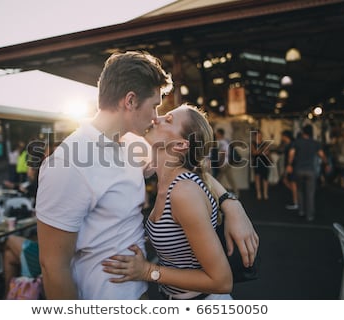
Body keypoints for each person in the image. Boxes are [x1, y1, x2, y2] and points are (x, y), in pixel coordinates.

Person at [36, 51, 258, 300]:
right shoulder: (68, 163)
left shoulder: (133, 143)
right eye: (154, 106)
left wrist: (231, 204)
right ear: (130, 101)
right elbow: (52, 267)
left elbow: (190, 170)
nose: (155, 117)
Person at [102, 105, 233, 299]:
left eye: (169, 119)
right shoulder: (168, 179)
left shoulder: (183, 192)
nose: (156, 118)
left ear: (180, 145)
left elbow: (222, 281)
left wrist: (148, 271)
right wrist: (231, 203)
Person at [286, 124, 330, 221]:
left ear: (303, 132)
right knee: (310, 193)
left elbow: (291, 153)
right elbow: (321, 155)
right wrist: (326, 164)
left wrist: (289, 164)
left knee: (300, 191)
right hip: (311, 170)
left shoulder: (297, 142)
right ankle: (310, 215)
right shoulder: (315, 143)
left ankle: (301, 211)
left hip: (299, 170)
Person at [215, 128, 239, 197]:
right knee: (229, 178)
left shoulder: (222, 142)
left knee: (217, 179)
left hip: (224, 163)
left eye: (217, 133)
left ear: (220, 134)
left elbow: (223, 153)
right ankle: (236, 192)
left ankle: (214, 193)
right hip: (227, 163)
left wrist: (220, 163)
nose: (216, 135)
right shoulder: (225, 141)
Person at [250, 129, 271, 200]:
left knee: (265, 178)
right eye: (258, 135)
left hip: (265, 162)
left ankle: (265, 193)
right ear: (255, 136)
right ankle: (258, 193)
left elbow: (267, 153)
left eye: (260, 135)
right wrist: (262, 151)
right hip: (257, 162)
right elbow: (254, 152)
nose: (259, 136)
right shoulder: (253, 143)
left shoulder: (265, 143)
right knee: (257, 178)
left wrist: (260, 152)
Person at [281, 130, 298, 210]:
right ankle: (297, 198)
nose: (281, 138)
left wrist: (289, 165)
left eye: (282, 136)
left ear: (285, 136)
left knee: (293, 183)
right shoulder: (289, 144)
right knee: (286, 181)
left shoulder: (292, 144)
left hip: (292, 167)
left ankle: (296, 201)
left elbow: (292, 154)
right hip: (290, 166)